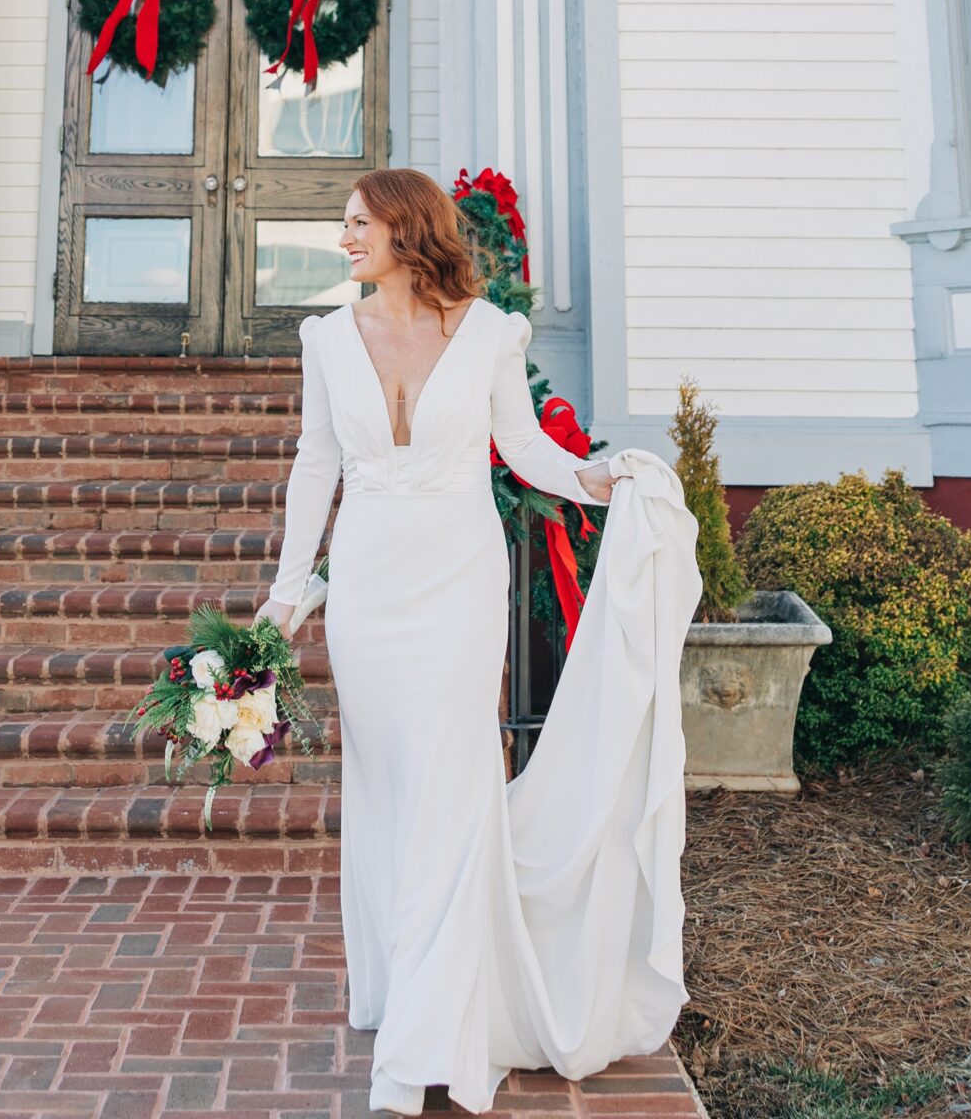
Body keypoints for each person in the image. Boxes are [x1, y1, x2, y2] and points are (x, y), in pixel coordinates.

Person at [262, 166, 702, 1117]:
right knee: (389, 788)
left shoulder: (495, 333)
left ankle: (434, 1038)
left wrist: (595, 481)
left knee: (452, 785)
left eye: (357, 225)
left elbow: (521, 448)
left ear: (407, 233)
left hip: (460, 579)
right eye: (344, 226)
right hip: (370, 585)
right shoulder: (326, 338)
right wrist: (289, 591)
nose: (343, 240)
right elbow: (315, 463)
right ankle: (407, 992)